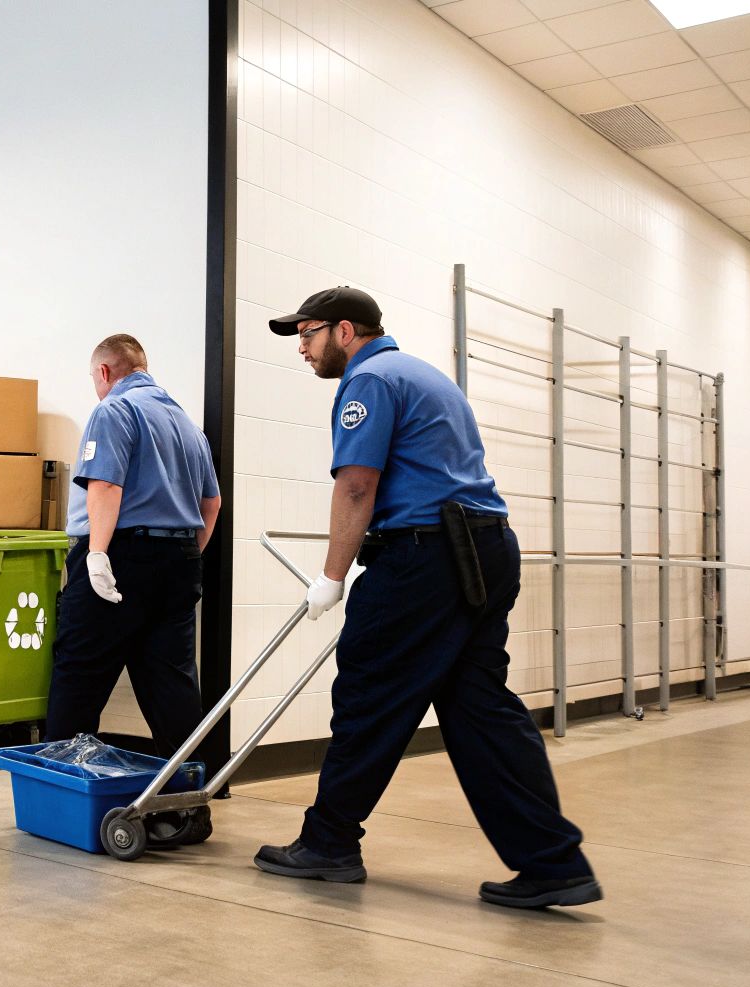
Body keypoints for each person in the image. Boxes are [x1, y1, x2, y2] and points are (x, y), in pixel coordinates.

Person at [253, 286, 600, 910]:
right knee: (479, 709)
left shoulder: (370, 381)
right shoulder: (420, 373)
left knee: (368, 690)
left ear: (345, 331)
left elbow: (358, 486)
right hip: (484, 549)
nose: (302, 350)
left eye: (307, 335)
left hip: (427, 557)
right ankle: (554, 862)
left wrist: (331, 577)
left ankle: (329, 843)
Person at [49, 334, 222, 804]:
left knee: (78, 673)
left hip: (118, 557)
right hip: (178, 561)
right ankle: (190, 794)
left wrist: (98, 555)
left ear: (105, 372)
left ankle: (60, 791)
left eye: (92, 378)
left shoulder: (113, 411)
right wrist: (188, 556)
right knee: (171, 683)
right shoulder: (185, 423)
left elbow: (105, 484)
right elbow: (212, 501)